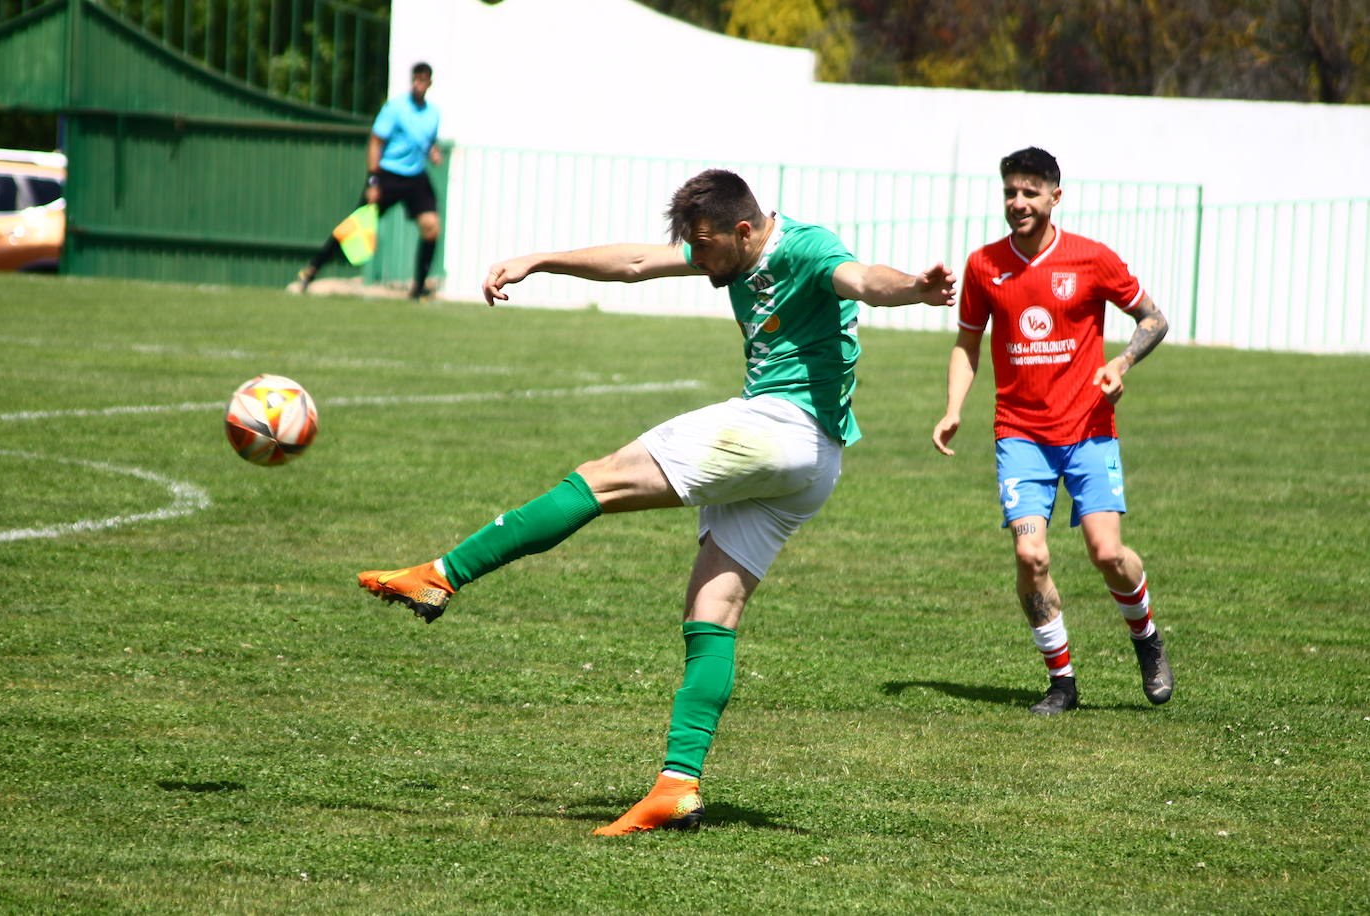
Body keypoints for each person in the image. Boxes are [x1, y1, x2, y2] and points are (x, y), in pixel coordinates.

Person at [358, 169, 956, 834]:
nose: (696, 259)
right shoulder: (731, 248)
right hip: (814, 463)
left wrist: (915, 289)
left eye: (704, 246)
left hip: (779, 428)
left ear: (744, 230)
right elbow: (638, 262)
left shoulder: (807, 247)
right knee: (711, 611)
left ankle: (443, 574)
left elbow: (863, 279)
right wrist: (539, 260)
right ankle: (677, 787)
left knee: (598, 479)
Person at [931, 147, 1172, 716]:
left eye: (1030, 192)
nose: (1018, 202)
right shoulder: (984, 265)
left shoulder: (1092, 258)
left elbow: (1154, 319)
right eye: (1010, 192)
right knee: (1030, 554)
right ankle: (1062, 682)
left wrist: (1121, 363)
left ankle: (1146, 638)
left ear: (1054, 197)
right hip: (1020, 436)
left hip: (1089, 430)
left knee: (1107, 553)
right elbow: (967, 343)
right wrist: (953, 407)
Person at [296, 61, 443, 299]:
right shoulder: (395, 108)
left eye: (423, 80)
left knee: (431, 225)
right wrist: (373, 181)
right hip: (388, 174)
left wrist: (433, 152)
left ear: (429, 83)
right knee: (355, 225)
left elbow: (427, 143)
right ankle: (311, 270)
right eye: (415, 79)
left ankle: (419, 289)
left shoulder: (433, 113)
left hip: (415, 176)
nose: (418, 84)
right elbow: (376, 142)